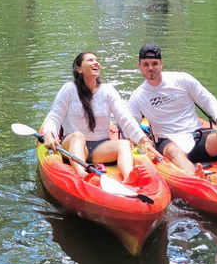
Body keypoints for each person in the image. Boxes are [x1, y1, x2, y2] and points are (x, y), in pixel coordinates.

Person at [127, 43, 217, 178]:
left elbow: (208, 99)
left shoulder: (182, 79)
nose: (150, 68)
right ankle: (197, 179)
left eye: (154, 64)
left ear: (161, 64)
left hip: (196, 136)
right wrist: (140, 140)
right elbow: (131, 126)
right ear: (139, 66)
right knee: (174, 151)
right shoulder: (137, 96)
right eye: (146, 64)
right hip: (169, 141)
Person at [42, 51, 160, 184]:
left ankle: (128, 177)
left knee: (125, 144)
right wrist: (48, 134)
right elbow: (54, 116)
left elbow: (124, 118)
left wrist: (143, 140)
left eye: (96, 60)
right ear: (79, 69)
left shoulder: (107, 90)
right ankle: (82, 174)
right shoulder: (69, 89)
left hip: (100, 148)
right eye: (90, 60)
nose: (96, 63)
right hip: (74, 146)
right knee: (78, 136)